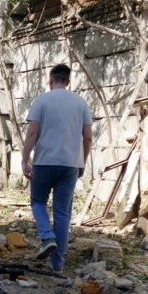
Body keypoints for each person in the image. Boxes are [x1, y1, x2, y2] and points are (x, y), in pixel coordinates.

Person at [20, 63, 93, 272]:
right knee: (62, 214)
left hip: (44, 162)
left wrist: (25, 160)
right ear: (68, 82)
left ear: (50, 81)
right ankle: (58, 264)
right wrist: (82, 162)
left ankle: (47, 236)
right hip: (70, 165)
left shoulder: (42, 100)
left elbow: (32, 133)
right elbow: (88, 137)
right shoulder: (81, 103)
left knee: (37, 202)